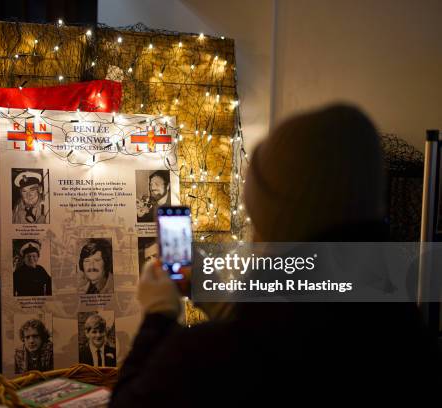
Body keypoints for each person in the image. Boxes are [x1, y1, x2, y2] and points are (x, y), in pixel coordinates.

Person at [110, 104, 441, 406]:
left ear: (272, 212)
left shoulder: (205, 357)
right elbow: (286, 323)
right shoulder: (398, 323)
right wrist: (208, 291)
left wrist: (158, 315)